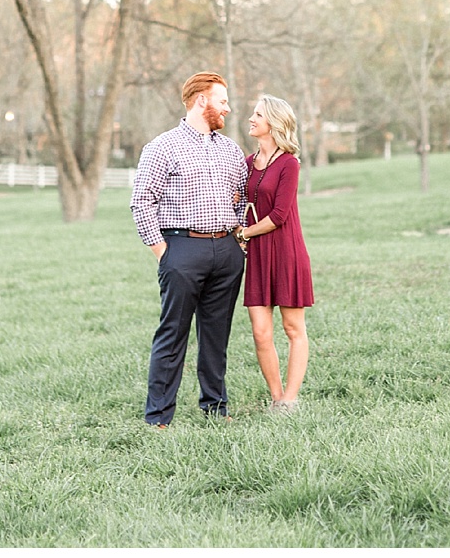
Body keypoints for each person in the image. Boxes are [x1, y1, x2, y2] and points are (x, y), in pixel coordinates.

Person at [129, 72, 248, 427]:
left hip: (226, 252)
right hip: (181, 249)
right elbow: (142, 201)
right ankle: (158, 417)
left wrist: (237, 242)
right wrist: (162, 251)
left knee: (217, 334)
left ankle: (215, 408)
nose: (228, 107)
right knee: (173, 333)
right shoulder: (162, 147)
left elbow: (242, 199)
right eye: (222, 100)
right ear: (201, 100)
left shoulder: (230, 149)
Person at [233, 94, 315, 410]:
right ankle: (277, 396)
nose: (251, 119)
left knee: (293, 329)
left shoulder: (289, 164)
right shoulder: (247, 163)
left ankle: (290, 401)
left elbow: (279, 216)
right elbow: (241, 200)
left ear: (273, 123)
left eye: (257, 115)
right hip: (257, 256)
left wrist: (244, 233)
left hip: (286, 252)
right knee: (260, 332)